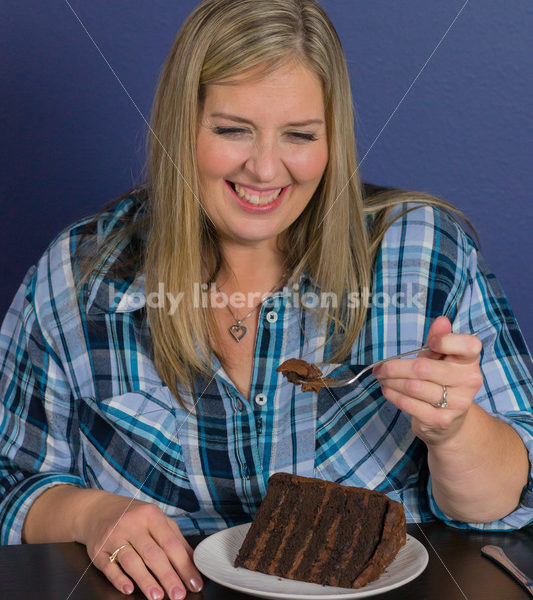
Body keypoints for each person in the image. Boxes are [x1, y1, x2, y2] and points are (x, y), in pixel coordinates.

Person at [1, 0, 532, 599]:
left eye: (300, 135)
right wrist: (89, 514)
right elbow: (8, 482)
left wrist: (454, 430)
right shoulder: (78, 274)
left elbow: (501, 505)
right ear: (183, 126)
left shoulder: (426, 249)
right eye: (233, 130)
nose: (265, 168)